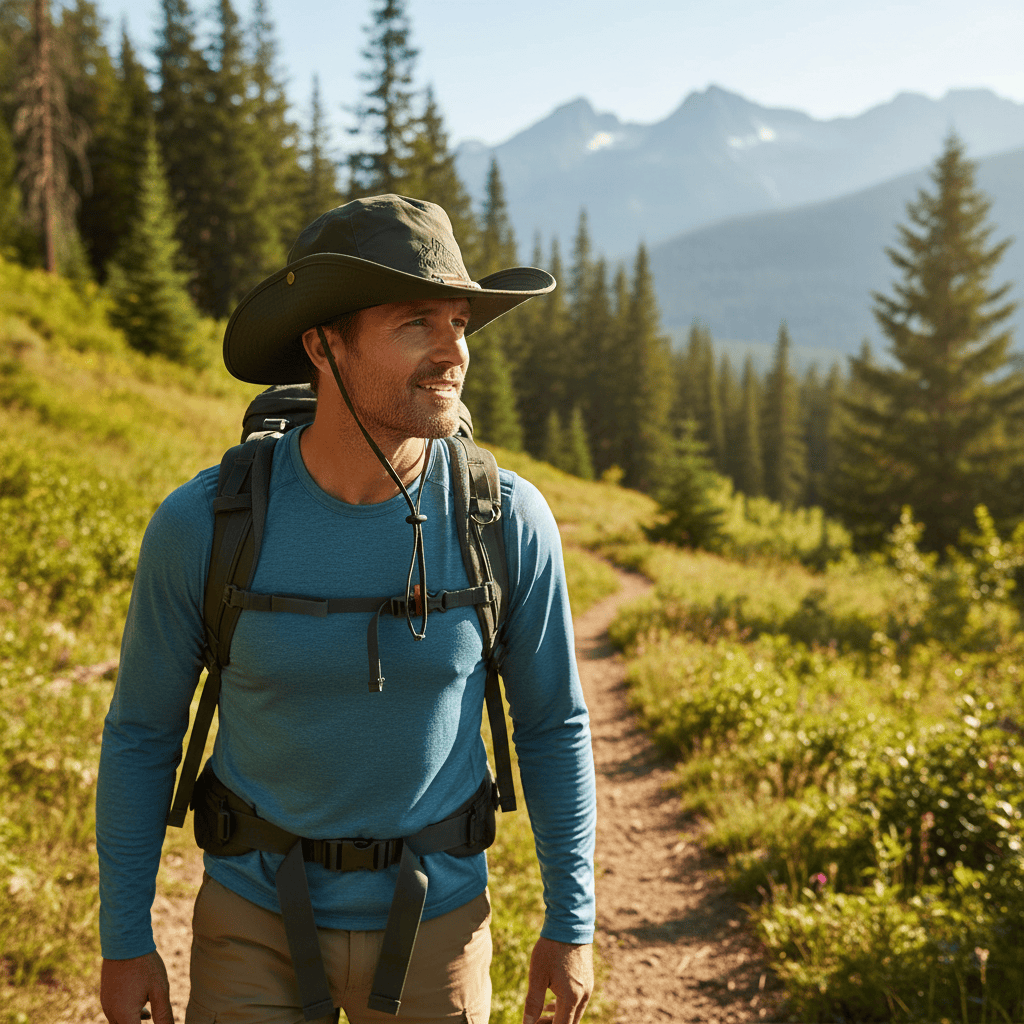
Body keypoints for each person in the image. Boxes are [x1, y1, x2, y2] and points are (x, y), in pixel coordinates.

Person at [96, 194, 597, 1024]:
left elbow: (554, 726)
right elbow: (143, 731)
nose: (453, 353)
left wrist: (570, 923)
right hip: (250, 922)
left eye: (460, 324)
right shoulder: (204, 526)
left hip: (440, 925)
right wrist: (123, 938)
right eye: (416, 323)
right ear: (322, 345)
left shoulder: (504, 520)